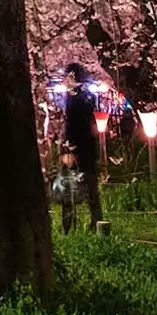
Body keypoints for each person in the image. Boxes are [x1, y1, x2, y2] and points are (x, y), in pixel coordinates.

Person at [61, 63, 103, 229]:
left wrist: (68, 144)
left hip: (79, 147)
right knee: (86, 186)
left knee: (80, 185)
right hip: (82, 146)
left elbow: (74, 123)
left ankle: (72, 224)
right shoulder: (83, 97)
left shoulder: (80, 98)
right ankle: (91, 222)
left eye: (69, 76)